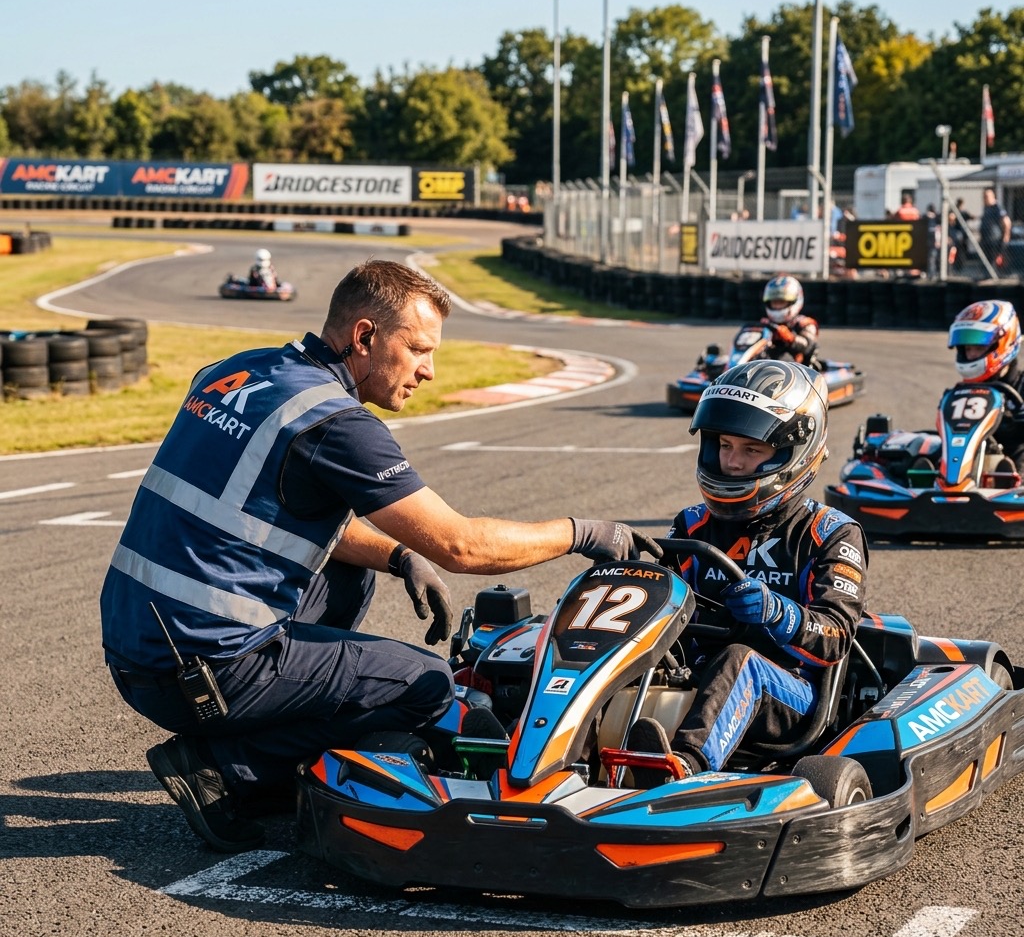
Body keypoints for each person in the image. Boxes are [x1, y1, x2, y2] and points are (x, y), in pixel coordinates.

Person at [100, 259, 661, 853]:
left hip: (137, 648)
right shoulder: (334, 423)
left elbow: (262, 512)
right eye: (418, 348)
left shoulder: (238, 371)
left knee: (352, 576)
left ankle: (264, 727)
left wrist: (397, 556)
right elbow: (461, 545)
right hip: (204, 669)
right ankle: (227, 766)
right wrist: (584, 533)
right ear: (365, 337)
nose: (428, 370)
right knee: (424, 682)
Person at [626, 360, 868, 783]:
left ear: (795, 454)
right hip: (696, 669)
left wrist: (778, 612)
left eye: (751, 450)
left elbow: (837, 638)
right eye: (725, 445)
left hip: (791, 689)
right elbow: (664, 596)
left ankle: (681, 769)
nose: (733, 462)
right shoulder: (693, 525)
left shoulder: (831, 533)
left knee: (741, 661)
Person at [947, 300, 1024, 472]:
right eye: (967, 348)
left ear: (1005, 342)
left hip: (1015, 465)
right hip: (970, 463)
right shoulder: (960, 392)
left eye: (979, 347)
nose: (972, 354)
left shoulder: (1021, 386)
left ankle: (1010, 478)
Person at [759, 275, 819, 366]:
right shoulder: (767, 324)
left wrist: (790, 338)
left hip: (798, 368)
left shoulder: (804, 323)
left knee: (782, 358)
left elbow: (807, 346)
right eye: (774, 302)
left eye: (781, 302)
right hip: (768, 364)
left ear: (794, 301)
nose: (777, 306)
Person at [979, 188, 1012, 276]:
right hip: (986, 239)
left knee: (995, 259)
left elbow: (1006, 222)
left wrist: (1006, 236)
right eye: (984, 197)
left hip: (994, 239)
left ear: (993, 197)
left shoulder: (997, 207)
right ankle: (988, 275)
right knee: (987, 260)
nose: (985, 199)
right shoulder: (986, 208)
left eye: (987, 196)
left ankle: (995, 275)